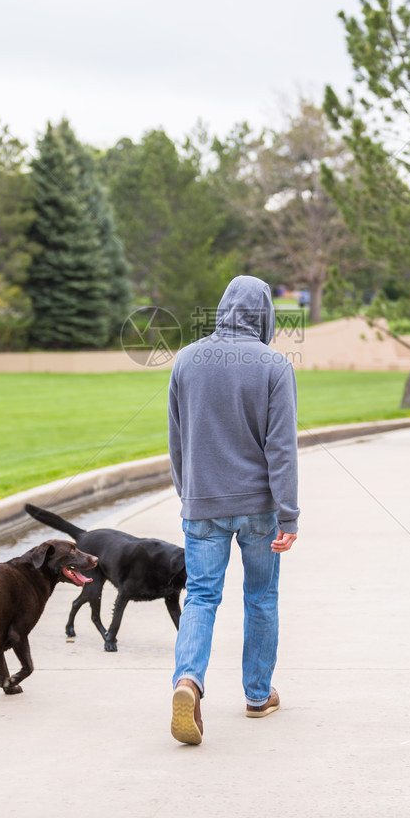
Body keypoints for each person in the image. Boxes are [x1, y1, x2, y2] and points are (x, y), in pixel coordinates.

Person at [167, 275, 299, 745]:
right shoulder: (274, 366)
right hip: (260, 508)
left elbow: (177, 440)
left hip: (202, 504)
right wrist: (289, 515)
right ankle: (258, 696)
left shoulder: (186, 360)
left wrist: (190, 495)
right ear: (263, 314)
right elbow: (281, 449)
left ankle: (188, 682)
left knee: (201, 596)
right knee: (261, 597)